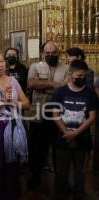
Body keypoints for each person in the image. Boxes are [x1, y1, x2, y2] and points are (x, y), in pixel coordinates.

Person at [0, 51, 30, 200]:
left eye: (2, 61)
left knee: (12, 165)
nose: (0, 65)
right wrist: (0, 103)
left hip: (14, 126)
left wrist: (12, 103)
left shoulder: (13, 81)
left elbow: (27, 103)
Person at [52, 60, 98, 200]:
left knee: (80, 174)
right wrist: (67, 133)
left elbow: (92, 117)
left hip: (83, 139)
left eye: (84, 75)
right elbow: (55, 115)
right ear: (71, 74)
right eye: (79, 75)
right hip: (63, 139)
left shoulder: (90, 93)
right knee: (61, 173)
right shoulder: (60, 92)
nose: (82, 78)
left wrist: (76, 133)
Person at [27, 41, 69, 190]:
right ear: (43, 53)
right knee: (37, 147)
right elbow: (32, 83)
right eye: (48, 52)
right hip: (38, 112)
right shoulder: (35, 67)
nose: (51, 55)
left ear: (59, 53)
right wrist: (54, 84)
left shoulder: (66, 68)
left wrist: (44, 86)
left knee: (59, 147)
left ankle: (60, 180)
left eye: (54, 52)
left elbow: (66, 88)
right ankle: (35, 177)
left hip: (59, 114)